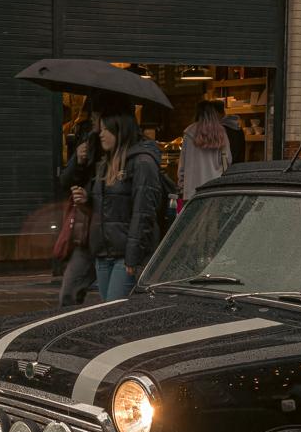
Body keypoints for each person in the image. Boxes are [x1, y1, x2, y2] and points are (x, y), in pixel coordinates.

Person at [72, 105, 162, 302]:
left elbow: (143, 212)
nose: (100, 134)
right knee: (107, 311)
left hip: (125, 256)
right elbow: (107, 209)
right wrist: (87, 200)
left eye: (106, 129)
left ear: (120, 130)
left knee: (115, 310)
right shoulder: (106, 163)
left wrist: (133, 256)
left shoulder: (142, 163)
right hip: (104, 252)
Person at [57, 107, 101, 307]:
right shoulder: (89, 141)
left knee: (113, 300)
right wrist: (78, 160)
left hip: (109, 232)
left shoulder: (127, 152)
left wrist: (89, 196)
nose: (94, 122)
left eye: (96, 118)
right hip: (88, 231)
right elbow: (66, 181)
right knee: (69, 292)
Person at [178, 100, 232, 201]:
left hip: (192, 190)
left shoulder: (188, 133)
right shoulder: (221, 132)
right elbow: (227, 161)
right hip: (214, 188)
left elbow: (182, 165)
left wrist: (182, 186)